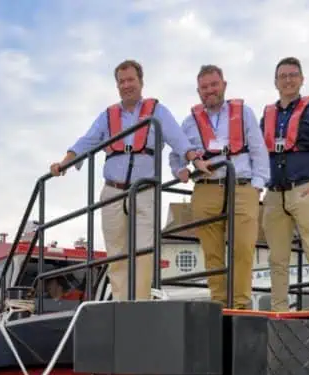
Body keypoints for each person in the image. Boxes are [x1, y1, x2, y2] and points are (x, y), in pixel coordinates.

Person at [51, 59, 208, 301]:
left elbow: (178, 139)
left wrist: (194, 160)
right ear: (117, 86)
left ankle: (140, 303)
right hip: (113, 192)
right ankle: (122, 303)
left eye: (131, 80)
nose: (126, 85)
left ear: (141, 82)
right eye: (121, 82)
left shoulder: (158, 111)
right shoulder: (108, 115)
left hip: (144, 192)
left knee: (143, 251)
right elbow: (87, 141)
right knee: (116, 253)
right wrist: (65, 162)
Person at [170, 64, 269, 309]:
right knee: (212, 253)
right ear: (198, 91)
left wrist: (257, 185)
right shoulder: (189, 122)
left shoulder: (244, 113)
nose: (209, 91)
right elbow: (176, 154)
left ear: (224, 85)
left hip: (242, 186)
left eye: (214, 85)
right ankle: (219, 304)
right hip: (206, 188)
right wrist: (179, 170)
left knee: (243, 249)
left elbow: (258, 149)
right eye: (204, 87)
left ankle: (241, 306)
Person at [259, 57, 309, 311]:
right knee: (277, 257)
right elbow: (259, 152)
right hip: (274, 193)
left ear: (302, 79)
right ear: (275, 82)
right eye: (283, 76)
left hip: (305, 188)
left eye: (293, 75)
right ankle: (279, 307)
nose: (288, 80)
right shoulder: (268, 115)